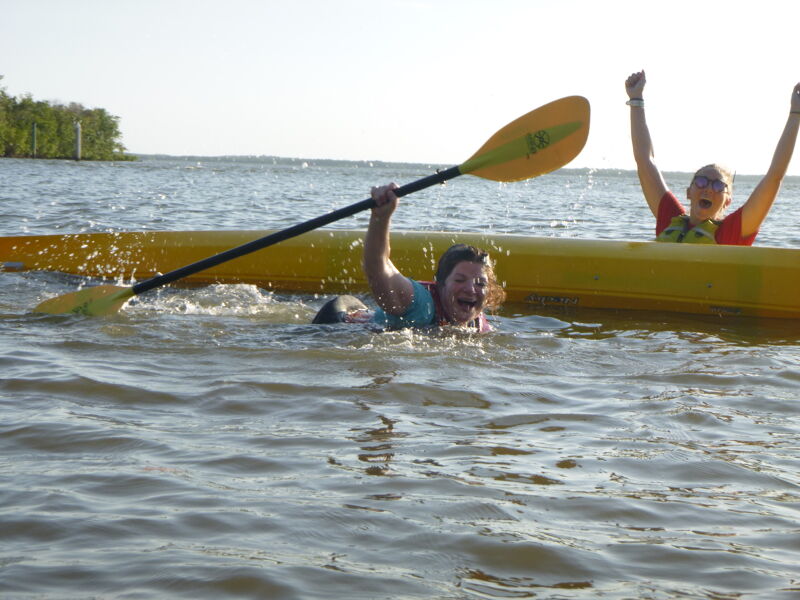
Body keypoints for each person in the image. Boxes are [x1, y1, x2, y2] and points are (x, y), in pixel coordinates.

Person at [625, 70, 800, 244]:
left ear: (728, 201)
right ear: (689, 192)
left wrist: (795, 113)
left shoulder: (732, 232)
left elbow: (774, 178)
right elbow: (645, 161)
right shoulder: (670, 218)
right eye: (701, 182)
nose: (708, 189)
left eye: (718, 185)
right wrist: (636, 100)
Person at [312, 183, 506, 332]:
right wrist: (381, 218)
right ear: (440, 285)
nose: (471, 289)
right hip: (336, 323)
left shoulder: (478, 324)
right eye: (460, 279)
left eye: (481, 283)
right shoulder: (420, 303)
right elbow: (379, 270)